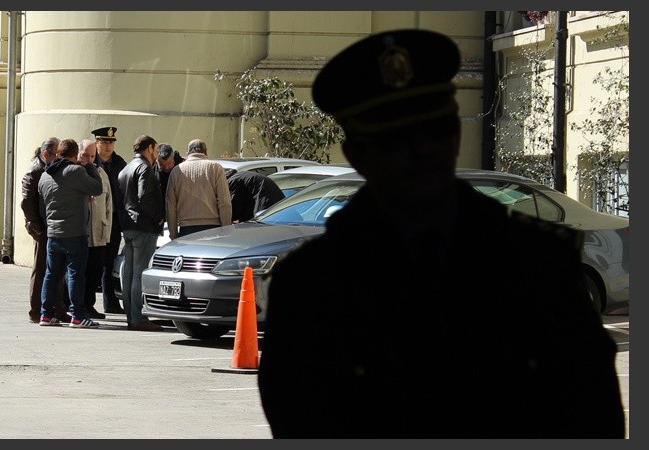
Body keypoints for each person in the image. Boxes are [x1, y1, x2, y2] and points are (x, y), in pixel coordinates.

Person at [257, 29, 625, 438]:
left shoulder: (537, 261)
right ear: (357, 155)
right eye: (396, 139)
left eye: (436, 128)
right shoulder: (311, 285)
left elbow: (594, 415)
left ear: (456, 133)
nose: (422, 150)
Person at [37, 138, 103, 328]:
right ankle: (78, 316)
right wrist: (90, 167)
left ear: (59, 153)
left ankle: (45, 315)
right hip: (75, 233)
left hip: (53, 233)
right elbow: (97, 188)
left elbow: (43, 208)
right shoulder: (75, 171)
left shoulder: (45, 176)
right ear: (75, 155)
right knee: (75, 275)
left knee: (51, 275)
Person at [20, 137, 71, 324]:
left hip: (53, 226)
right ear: (46, 154)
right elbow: (27, 203)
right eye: (56, 155)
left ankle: (58, 308)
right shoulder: (35, 171)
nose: (59, 159)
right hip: (42, 228)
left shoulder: (51, 169)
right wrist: (36, 226)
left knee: (57, 269)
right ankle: (36, 311)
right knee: (42, 269)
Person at [117, 135, 165, 332]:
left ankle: (132, 316)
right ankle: (137, 318)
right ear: (150, 148)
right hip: (143, 226)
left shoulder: (126, 169)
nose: (157, 154)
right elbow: (144, 196)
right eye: (156, 149)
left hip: (128, 226)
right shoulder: (144, 168)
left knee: (129, 273)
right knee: (139, 273)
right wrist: (158, 217)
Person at [91, 126, 128, 314]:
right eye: (104, 142)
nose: (108, 146)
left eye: (111, 142)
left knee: (110, 262)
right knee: (94, 262)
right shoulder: (91, 164)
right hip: (95, 220)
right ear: (97, 143)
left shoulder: (120, 163)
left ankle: (111, 302)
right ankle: (87, 304)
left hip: (114, 219)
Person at [165, 139, 232, 239]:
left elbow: (170, 206)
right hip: (213, 229)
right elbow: (224, 202)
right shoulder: (216, 168)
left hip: (186, 229)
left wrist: (173, 234)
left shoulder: (176, 171)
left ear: (188, 153)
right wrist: (226, 230)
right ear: (206, 152)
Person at [79, 139, 112, 320]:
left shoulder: (101, 173)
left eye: (92, 156)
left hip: (98, 233)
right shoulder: (75, 173)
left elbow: (108, 205)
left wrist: (107, 231)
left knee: (95, 272)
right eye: (85, 155)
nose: (89, 160)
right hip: (80, 233)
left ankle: (89, 305)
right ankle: (77, 306)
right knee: (79, 272)